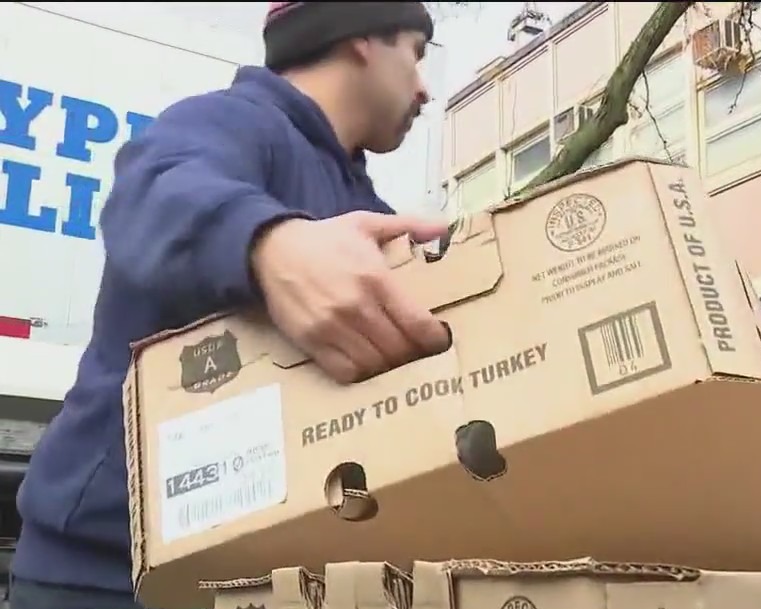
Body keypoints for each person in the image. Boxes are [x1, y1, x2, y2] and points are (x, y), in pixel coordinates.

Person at [9, 3, 451, 608]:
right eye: (417, 52)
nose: (425, 87)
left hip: (254, 578)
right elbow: (154, 186)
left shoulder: (366, 202)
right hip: (104, 578)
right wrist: (270, 244)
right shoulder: (230, 121)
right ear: (361, 40)